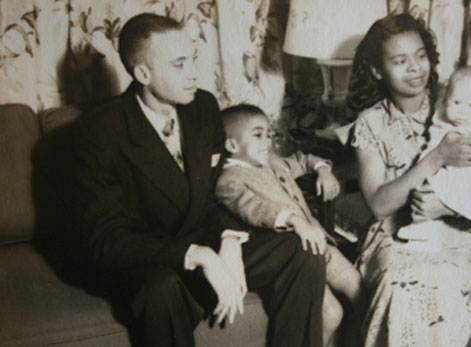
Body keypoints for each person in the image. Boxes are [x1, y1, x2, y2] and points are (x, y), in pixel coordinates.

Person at [70, 13, 325, 347]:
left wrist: (230, 241)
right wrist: (200, 255)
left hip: (205, 238)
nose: (194, 73)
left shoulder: (202, 106)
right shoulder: (100, 129)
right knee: (159, 289)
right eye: (179, 65)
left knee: (300, 250)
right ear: (143, 73)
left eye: (193, 59)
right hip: (147, 260)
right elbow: (105, 239)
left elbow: (215, 193)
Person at [345, 13, 471, 346]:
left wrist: (445, 207)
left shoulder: (457, 109)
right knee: (401, 286)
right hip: (391, 240)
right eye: (400, 61)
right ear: (377, 69)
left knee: (437, 283)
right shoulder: (370, 124)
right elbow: (379, 205)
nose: (415, 68)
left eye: (420, 56)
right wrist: (436, 158)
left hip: (454, 239)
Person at [215, 104, 362, 347]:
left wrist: (323, 170)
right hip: (297, 258)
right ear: (232, 146)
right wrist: (293, 220)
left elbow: (303, 160)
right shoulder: (229, 181)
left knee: (359, 291)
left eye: (269, 134)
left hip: (318, 246)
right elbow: (254, 208)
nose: (267, 141)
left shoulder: (271, 162)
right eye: (257, 135)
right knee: (331, 313)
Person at [397, 65, 471, 242]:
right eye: (456, 102)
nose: (462, 110)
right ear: (446, 99)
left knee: (451, 191)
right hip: (439, 162)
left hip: (468, 169)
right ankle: (423, 230)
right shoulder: (441, 110)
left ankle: (430, 229)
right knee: (423, 189)